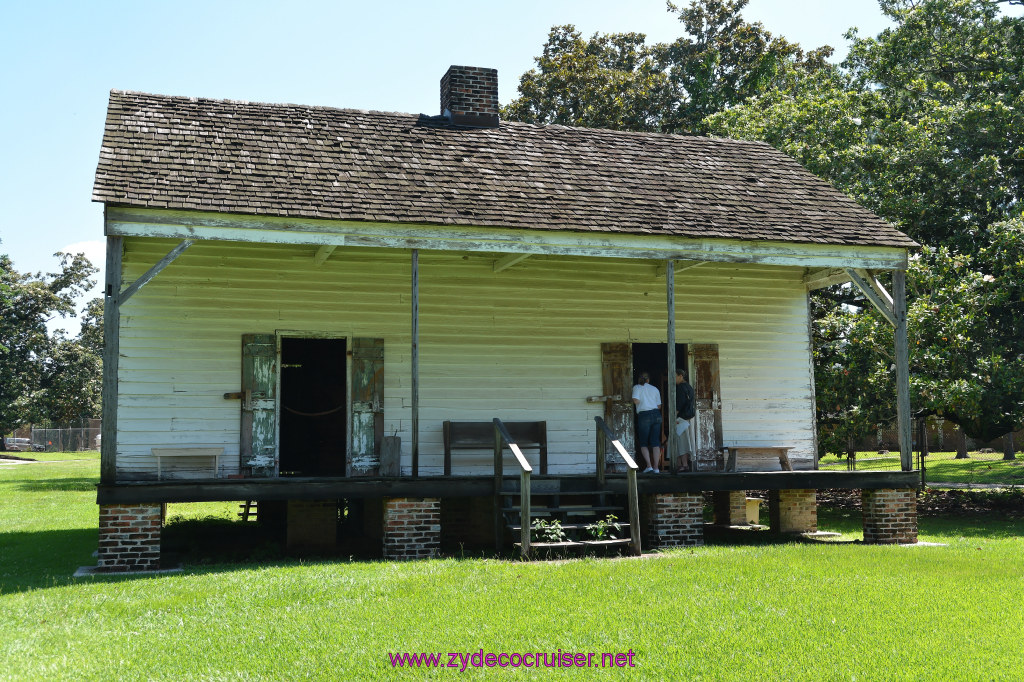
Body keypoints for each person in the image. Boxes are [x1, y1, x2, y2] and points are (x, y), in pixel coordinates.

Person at [632, 371, 662, 473]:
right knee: (655, 442)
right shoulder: (655, 389)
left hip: (644, 415)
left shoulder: (637, 387)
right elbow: (659, 406)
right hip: (656, 414)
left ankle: (649, 466)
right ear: (648, 379)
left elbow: (635, 400)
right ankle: (656, 468)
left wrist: (642, 401)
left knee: (644, 442)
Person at [674, 369, 696, 471]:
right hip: (687, 418)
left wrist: (674, 416)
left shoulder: (681, 387)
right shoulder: (689, 387)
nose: (673, 379)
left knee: (681, 442)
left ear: (681, 376)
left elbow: (680, 403)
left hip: (681, 418)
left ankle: (683, 465)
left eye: (675, 376)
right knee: (685, 441)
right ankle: (682, 464)